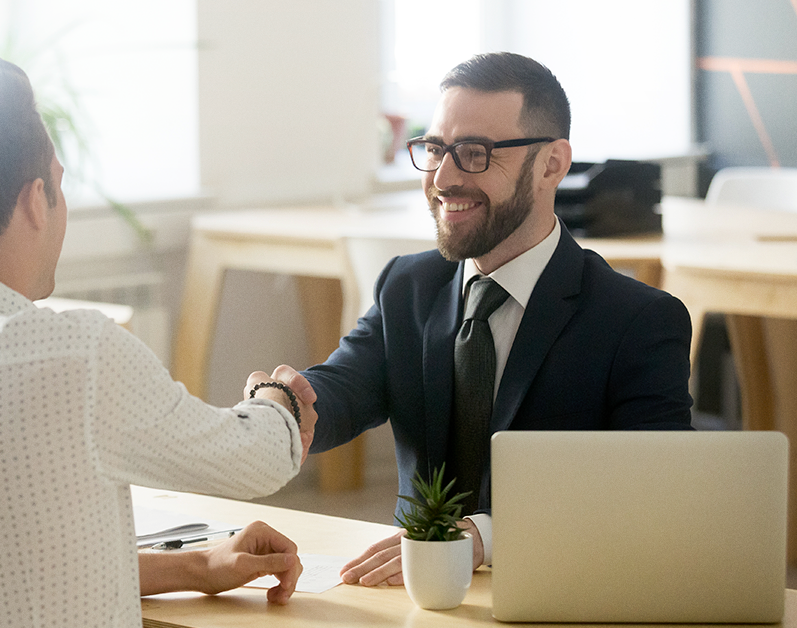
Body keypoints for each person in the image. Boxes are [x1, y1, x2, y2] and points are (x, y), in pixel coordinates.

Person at [0, 47, 315, 628]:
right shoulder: (79, 356)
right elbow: (260, 461)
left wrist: (197, 565)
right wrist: (274, 397)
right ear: (34, 200)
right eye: (58, 185)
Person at [255, 52, 693, 586]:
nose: (442, 177)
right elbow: (343, 386)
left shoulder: (639, 322)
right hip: (411, 596)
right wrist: (284, 402)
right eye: (436, 148)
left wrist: (481, 538)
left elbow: (653, 495)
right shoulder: (408, 285)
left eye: (475, 154)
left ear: (552, 164)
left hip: (561, 592)